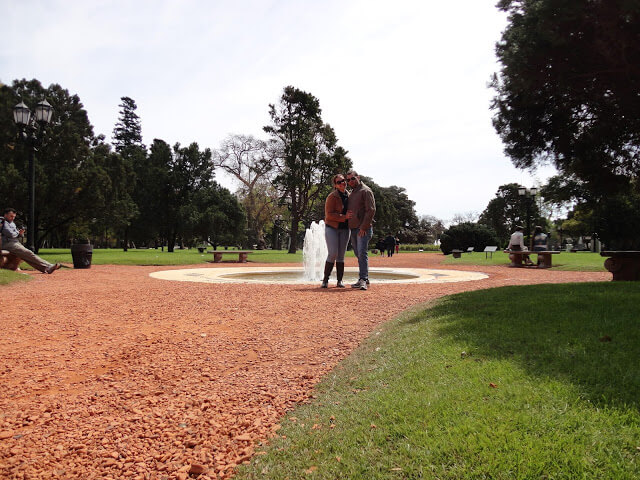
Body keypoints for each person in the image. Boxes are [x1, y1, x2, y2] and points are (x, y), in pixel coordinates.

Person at [1, 208, 61, 274]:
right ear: (5, 215)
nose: (12, 218)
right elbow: (10, 234)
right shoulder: (2, 221)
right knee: (27, 253)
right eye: (11, 216)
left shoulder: (12, 223)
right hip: (7, 243)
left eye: (14, 217)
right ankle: (48, 266)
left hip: (14, 242)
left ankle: (46, 267)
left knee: (27, 254)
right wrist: (18, 233)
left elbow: (17, 234)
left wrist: (20, 233)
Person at [346, 170, 376, 290]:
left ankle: (363, 279)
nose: (350, 181)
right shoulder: (353, 192)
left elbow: (371, 210)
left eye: (352, 179)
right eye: (348, 180)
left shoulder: (366, 190)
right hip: (353, 228)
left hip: (362, 228)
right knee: (358, 254)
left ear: (358, 177)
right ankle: (364, 278)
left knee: (362, 253)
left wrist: (364, 226)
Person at [321, 174, 352, 288]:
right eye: (339, 182)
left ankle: (339, 281)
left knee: (341, 255)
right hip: (332, 228)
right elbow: (329, 215)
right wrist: (344, 217)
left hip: (345, 229)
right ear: (335, 185)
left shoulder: (350, 196)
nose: (342, 183)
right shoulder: (332, 197)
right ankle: (325, 280)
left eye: (343, 181)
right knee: (333, 253)